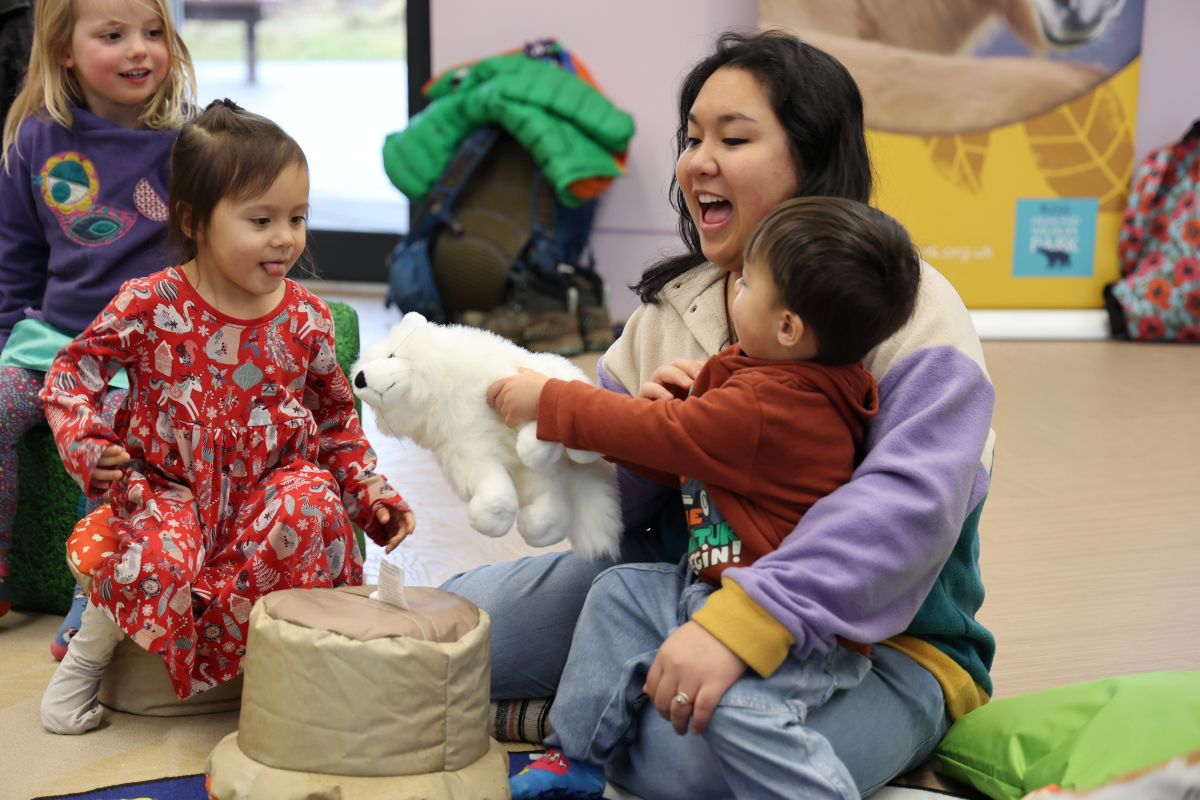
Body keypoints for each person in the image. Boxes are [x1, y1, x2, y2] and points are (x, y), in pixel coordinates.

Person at [442, 30, 997, 799]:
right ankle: (584, 708)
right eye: (693, 136)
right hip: (673, 585)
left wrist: (742, 628)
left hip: (875, 645)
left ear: (810, 159)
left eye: (733, 138)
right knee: (445, 635)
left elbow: (907, 511)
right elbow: (612, 515)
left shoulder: (908, 311)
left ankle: (567, 718)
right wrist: (647, 429)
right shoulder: (681, 303)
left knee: (693, 767)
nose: (698, 159)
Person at [38, 99, 416, 735]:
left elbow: (335, 426)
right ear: (194, 221)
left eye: (298, 218)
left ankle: (298, 666)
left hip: (266, 496)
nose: (285, 238)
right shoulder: (148, 303)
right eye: (261, 219)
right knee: (151, 548)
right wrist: (88, 443)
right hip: (167, 491)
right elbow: (70, 377)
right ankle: (86, 657)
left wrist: (369, 493)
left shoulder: (306, 319)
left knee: (312, 503)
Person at [0, 0, 194, 655]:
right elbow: (16, 254)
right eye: (114, 35)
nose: (140, 50)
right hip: (52, 345)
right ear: (64, 48)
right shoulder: (35, 138)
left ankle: (93, 607)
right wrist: (6, 345)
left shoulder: (189, 144)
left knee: (114, 444)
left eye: (153, 33)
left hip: (139, 355)